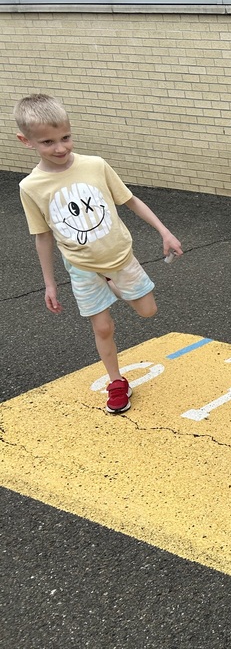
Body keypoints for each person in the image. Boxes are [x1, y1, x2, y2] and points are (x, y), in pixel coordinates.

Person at [14, 93, 182, 415]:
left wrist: (165, 232)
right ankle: (116, 381)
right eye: (48, 142)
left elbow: (131, 201)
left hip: (119, 257)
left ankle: (113, 285)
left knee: (148, 311)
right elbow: (42, 237)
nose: (60, 148)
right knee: (103, 327)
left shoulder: (95, 165)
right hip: (81, 266)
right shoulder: (31, 186)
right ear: (26, 141)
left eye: (65, 137)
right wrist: (50, 284)